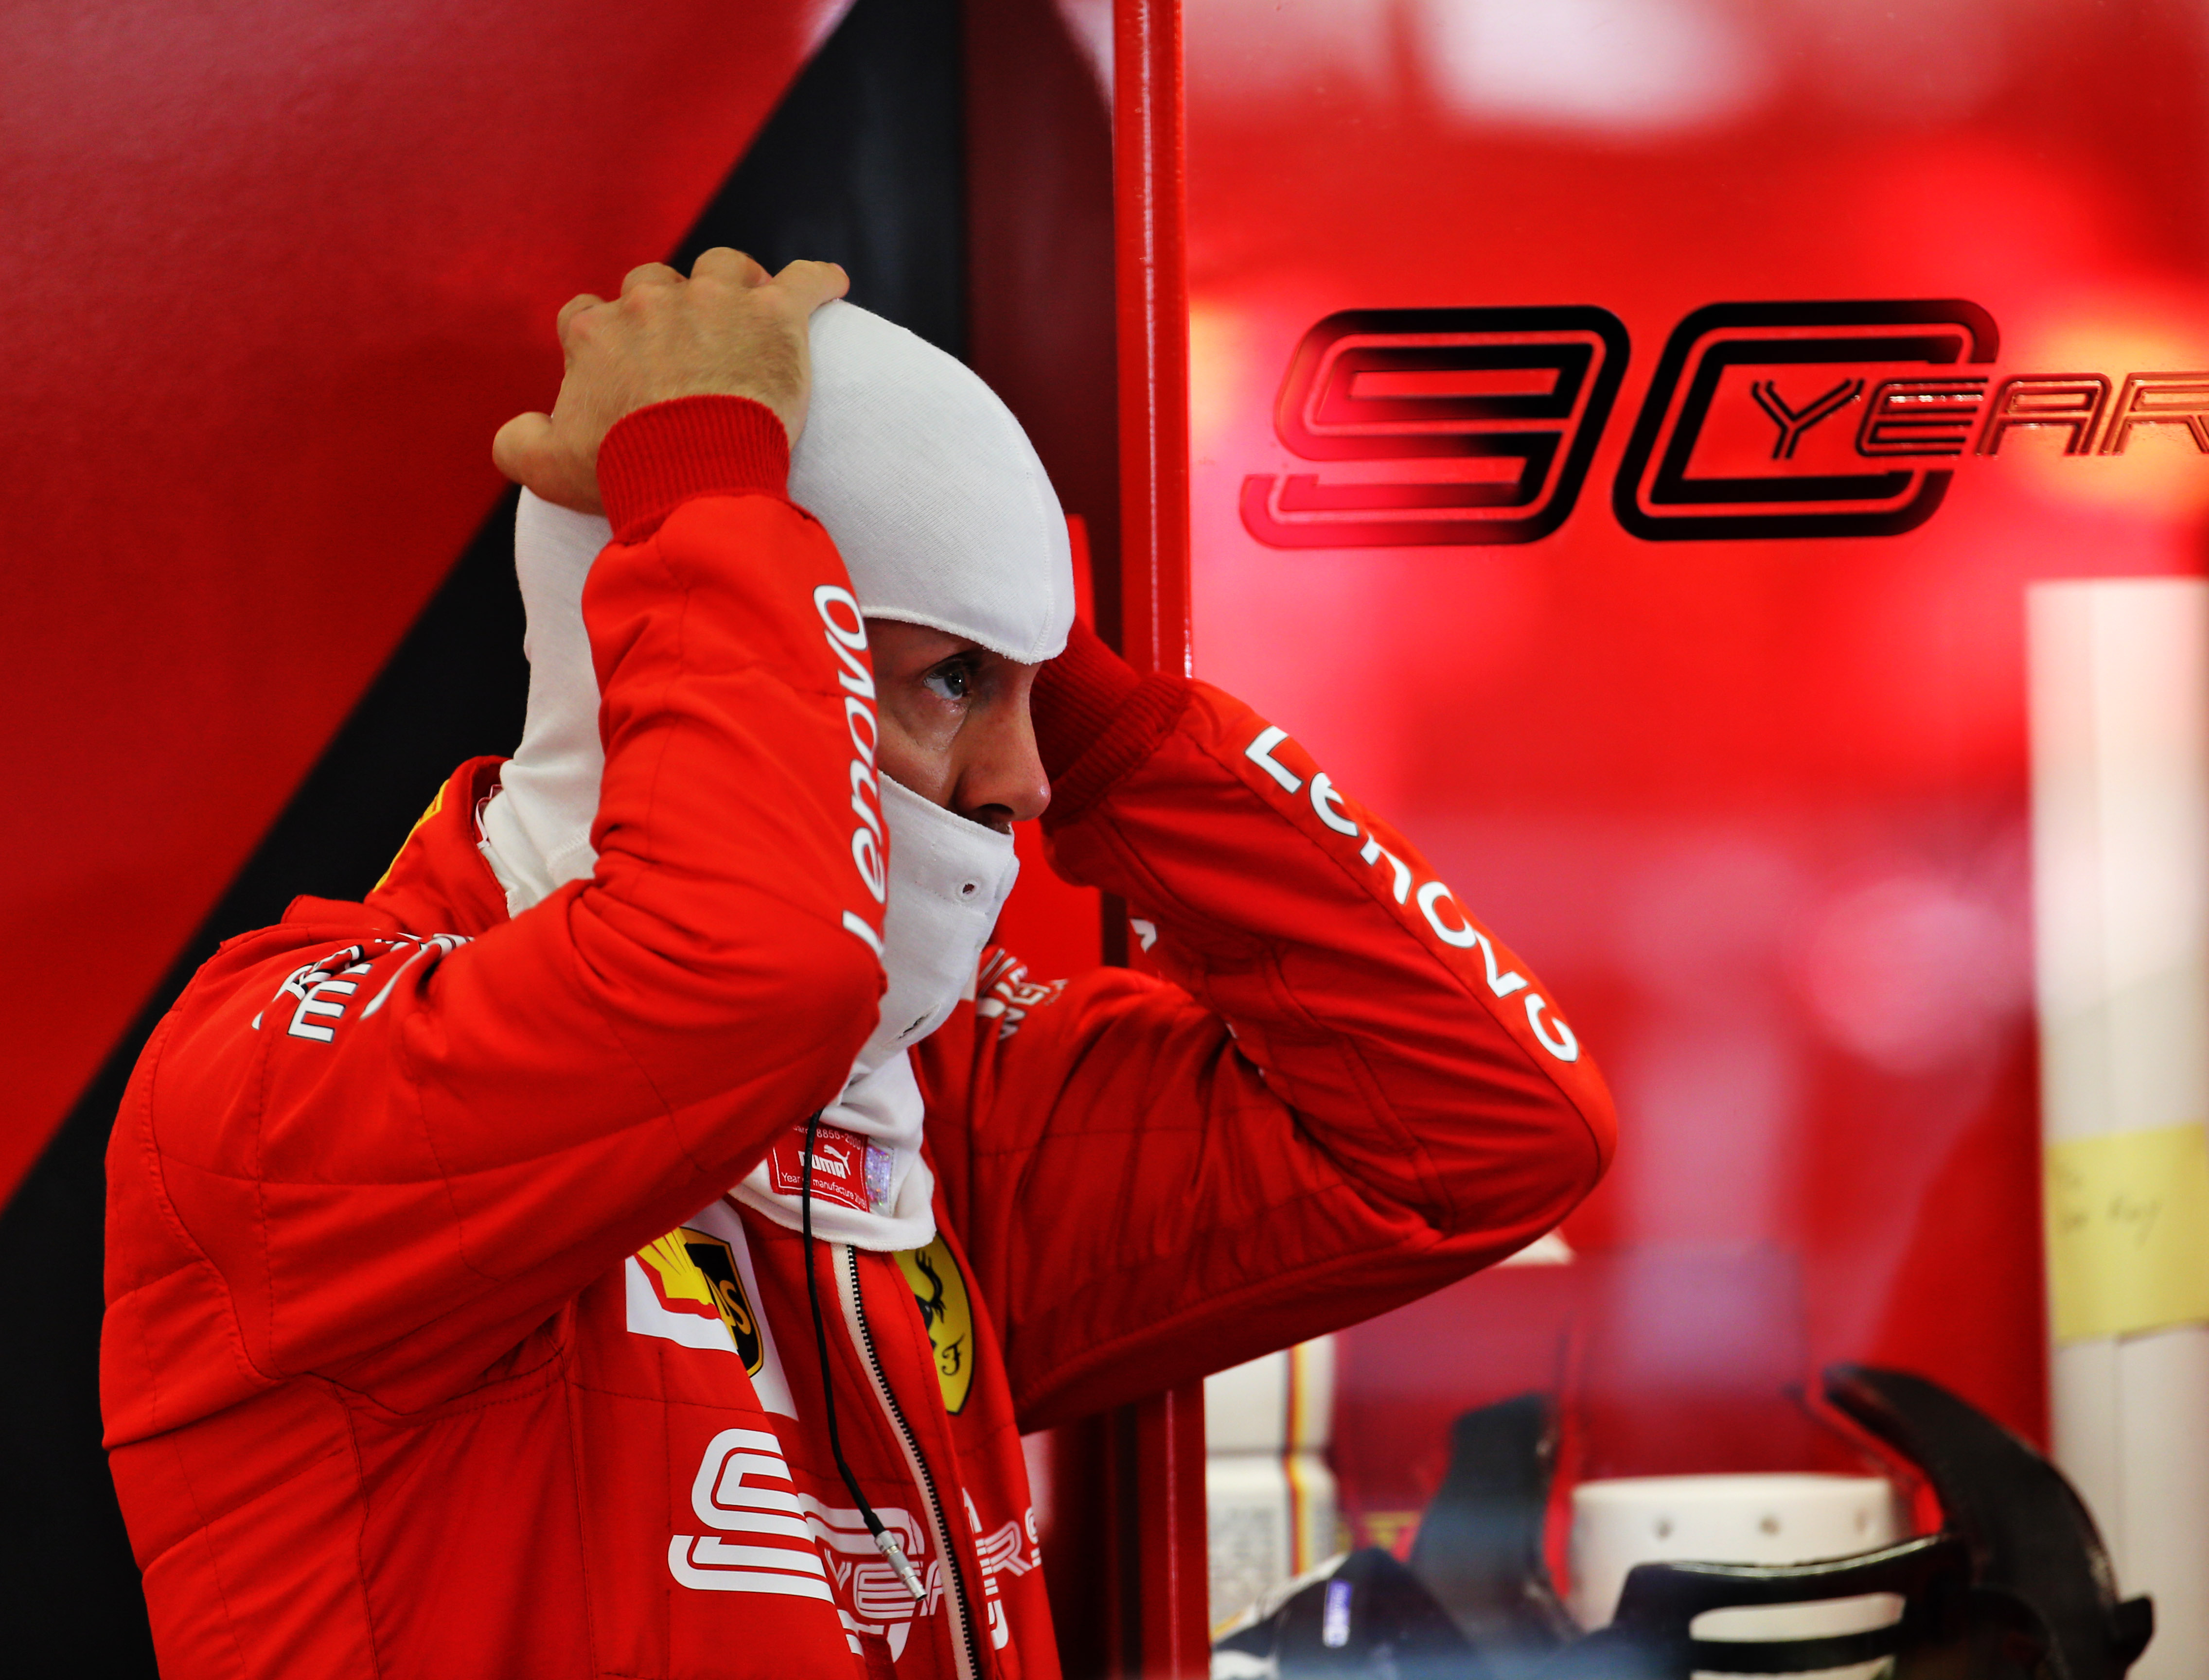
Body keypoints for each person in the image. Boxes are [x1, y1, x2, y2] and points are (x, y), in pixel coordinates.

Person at [101, 249, 1616, 1679]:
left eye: (1032, 702)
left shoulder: (928, 1112)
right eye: (952, 679)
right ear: (645, 646)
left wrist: (1082, 701)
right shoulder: (282, 1096)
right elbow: (744, 975)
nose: (1028, 785)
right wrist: (702, 475)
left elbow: (1486, 1133)